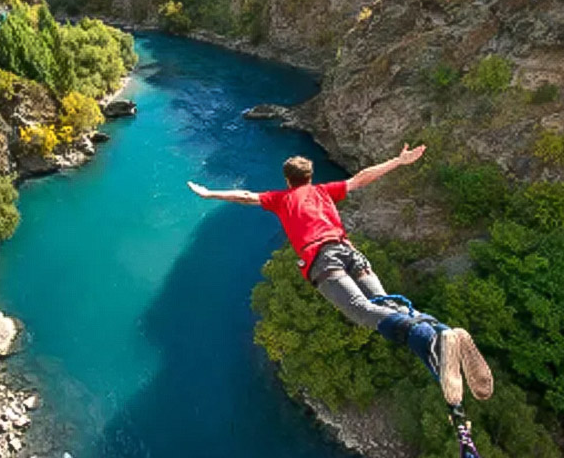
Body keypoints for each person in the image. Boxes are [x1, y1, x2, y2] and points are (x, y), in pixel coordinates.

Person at [187, 144, 493, 406]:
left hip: (322, 258)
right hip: (350, 251)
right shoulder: (323, 191)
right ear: (310, 176)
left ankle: (430, 342)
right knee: (384, 303)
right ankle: (439, 331)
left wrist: (209, 193)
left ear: (287, 180)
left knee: (361, 310)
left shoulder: (281, 199)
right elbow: (361, 179)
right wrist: (398, 162)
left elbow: (245, 195)